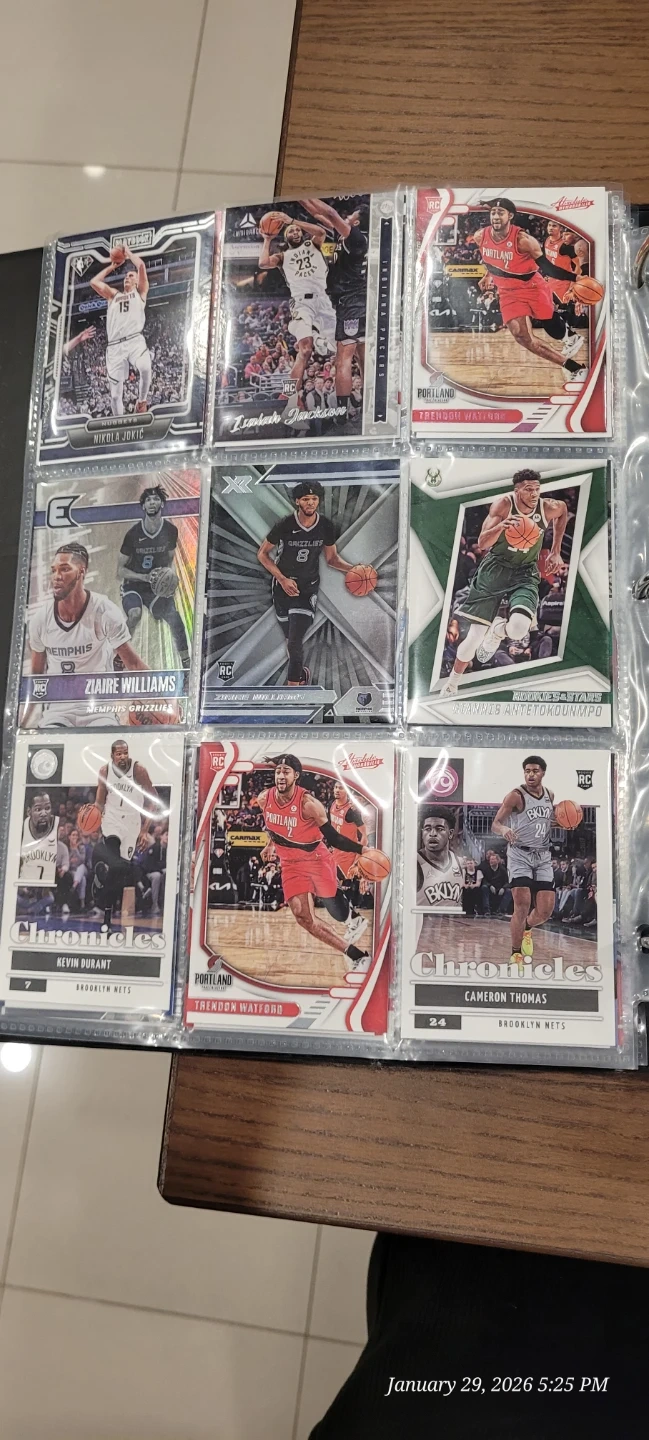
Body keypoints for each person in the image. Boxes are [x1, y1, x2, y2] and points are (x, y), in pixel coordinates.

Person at [441, 471, 567, 696]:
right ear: (516, 491)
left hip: (524, 572)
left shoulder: (547, 507)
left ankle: (498, 629)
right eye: (528, 489)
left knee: (518, 630)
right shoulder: (503, 505)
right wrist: (501, 527)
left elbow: (563, 511)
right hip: (495, 570)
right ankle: (452, 684)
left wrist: (555, 551)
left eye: (537, 489)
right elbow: (482, 543)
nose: (534, 494)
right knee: (474, 639)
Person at [256, 755, 375, 971]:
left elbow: (334, 838)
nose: (281, 775)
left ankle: (353, 918)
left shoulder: (309, 804)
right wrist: (270, 845)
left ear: (296, 775)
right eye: (278, 771)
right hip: (290, 864)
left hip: (315, 858)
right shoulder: (264, 799)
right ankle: (356, 955)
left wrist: (362, 849)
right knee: (303, 916)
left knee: (334, 906)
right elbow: (273, 826)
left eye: (286, 771)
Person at [23, 541, 148, 728]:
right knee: (52, 739)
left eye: (65, 569)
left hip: (98, 711)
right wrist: (21, 726)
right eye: (53, 570)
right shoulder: (41, 619)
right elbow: (36, 678)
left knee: (109, 742)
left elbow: (135, 664)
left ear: (81, 572)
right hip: (58, 713)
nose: (56, 577)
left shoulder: (104, 611)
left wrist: (169, 698)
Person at [469, 198, 588, 384]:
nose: (496, 216)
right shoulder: (480, 236)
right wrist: (487, 275)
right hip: (507, 292)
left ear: (510, 215)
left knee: (550, 324)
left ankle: (570, 336)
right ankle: (574, 368)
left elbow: (548, 268)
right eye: (493, 212)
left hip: (531, 286)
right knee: (521, 336)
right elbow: (491, 258)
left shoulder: (524, 241)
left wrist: (576, 278)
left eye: (500, 212)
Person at [257, 480, 361, 686]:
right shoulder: (285, 524)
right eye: (306, 499)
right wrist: (282, 579)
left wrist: (355, 570)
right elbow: (262, 554)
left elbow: (332, 559)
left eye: (314, 499)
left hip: (307, 588)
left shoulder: (325, 526)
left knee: (295, 641)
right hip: (282, 587)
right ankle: (299, 674)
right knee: (290, 640)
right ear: (298, 501)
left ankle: (292, 689)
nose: (311, 502)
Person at [258, 211, 336, 419]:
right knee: (305, 349)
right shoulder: (283, 256)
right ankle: (289, 396)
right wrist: (267, 240)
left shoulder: (314, 244)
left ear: (301, 233)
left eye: (296, 230)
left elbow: (320, 231)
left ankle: (319, 339)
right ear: (286, 237)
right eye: (290, 231)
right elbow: (263, 263)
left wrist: (292, 220)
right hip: (301, 303)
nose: (294, 232)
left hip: (324, 301)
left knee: (340, 348)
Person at [302, 197, 369, 420]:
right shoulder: (345, 236)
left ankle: (341, 412)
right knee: (361, 357)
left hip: (352, 303)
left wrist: (304, 191)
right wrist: (299, 201)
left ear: (356, 223)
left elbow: (331, 213)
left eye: (351, 216)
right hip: (353, 302)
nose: (346, 217)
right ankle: (369, 401)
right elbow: (319, 215)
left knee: (343, 359)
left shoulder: (356, 238)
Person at [492, 754, 556, 973]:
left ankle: (527, 926)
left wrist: (563, 822)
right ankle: (516, 953)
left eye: (535, 771)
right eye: (527, 771)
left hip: (543, 855)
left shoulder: (550, 795)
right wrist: (504, 829)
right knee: (522, 904)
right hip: (520, 854)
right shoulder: (515, 796)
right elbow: (495, 823)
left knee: (545, 911)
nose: (530, 774)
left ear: (543, 773)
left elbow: (545, 821)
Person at [117, 485, 190, 668]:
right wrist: (143, 577)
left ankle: (187, 664)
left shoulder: (171, 530)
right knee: (135, 615)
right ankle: (119, 658)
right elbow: (120, 571)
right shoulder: (133, 534)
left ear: (162, 504)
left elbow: (170, 560)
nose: (152, 502)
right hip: (133, 584)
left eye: (156, 499)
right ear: (143, 506)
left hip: (155, 587)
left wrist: (168, 578)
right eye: (148, 500)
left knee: (175, 619)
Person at [89, 242, 151, 416]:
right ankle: (119, 422)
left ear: (137, 281)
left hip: (134, 340)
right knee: (116, 396)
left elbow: (141, 266)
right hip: (115, 346)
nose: (127, 277)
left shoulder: (140, 293)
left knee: (145, 367)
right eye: (125, 276)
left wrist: (128, 253)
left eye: (131, 276)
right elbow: (94, 282)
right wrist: (112, 266)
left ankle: (141, 402)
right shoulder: (113, 295)